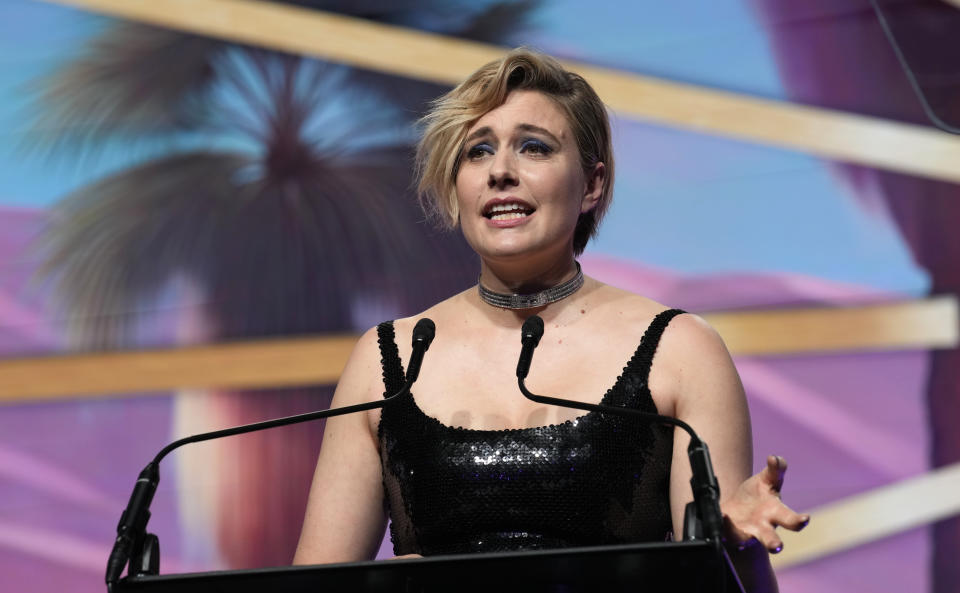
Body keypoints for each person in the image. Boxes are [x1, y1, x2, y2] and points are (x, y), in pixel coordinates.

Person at [293, 48, 808, 591]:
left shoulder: (680, 349)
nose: (500, 172)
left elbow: (723, 581)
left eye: (534, 147)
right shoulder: (388, 360)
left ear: (592, 184)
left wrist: (739, 549)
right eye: (477, 152)